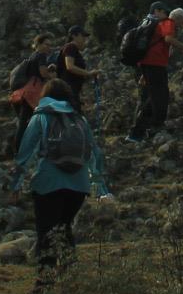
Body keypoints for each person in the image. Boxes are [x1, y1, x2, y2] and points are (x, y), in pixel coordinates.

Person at [11, 79, 110, 282]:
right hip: (79, 184)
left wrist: (17, 182)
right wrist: (100, 186)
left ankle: (45, 280)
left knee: (47, 231)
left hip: (48, 181)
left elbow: (26, 151)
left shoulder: (40, 117)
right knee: (64, 228)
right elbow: (94, 152)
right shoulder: (79, 119)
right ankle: (70, 276)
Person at [127, 2, 179, 142]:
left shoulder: (146, 23)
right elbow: (168, 39)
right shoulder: (165, 22)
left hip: (145, 64)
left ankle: (138, 132)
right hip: (156, 64)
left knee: (151, 97)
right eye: (164, 11)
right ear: (157, 11)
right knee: (159, 97)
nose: (167, 15)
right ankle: (151, 127)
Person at [9, 34, 57, 154]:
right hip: (32, 93)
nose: (49, 48)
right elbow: (43, 73)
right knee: (28, 121)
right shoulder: (41, 55)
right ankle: (22, 150)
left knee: (24, 121)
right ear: (39, 45)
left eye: (50, 45)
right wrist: (51, 73)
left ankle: (19, 149)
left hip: (23, 93)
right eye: (46, 44)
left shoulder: (32, 56)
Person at [57, 26, 99, 108]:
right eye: (82, 36)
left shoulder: (74, 50)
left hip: (71, 90)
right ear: (74, 36)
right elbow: (70, 66)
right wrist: (89, 73)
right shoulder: (70, 47)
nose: (84, 39)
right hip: (68, 89)